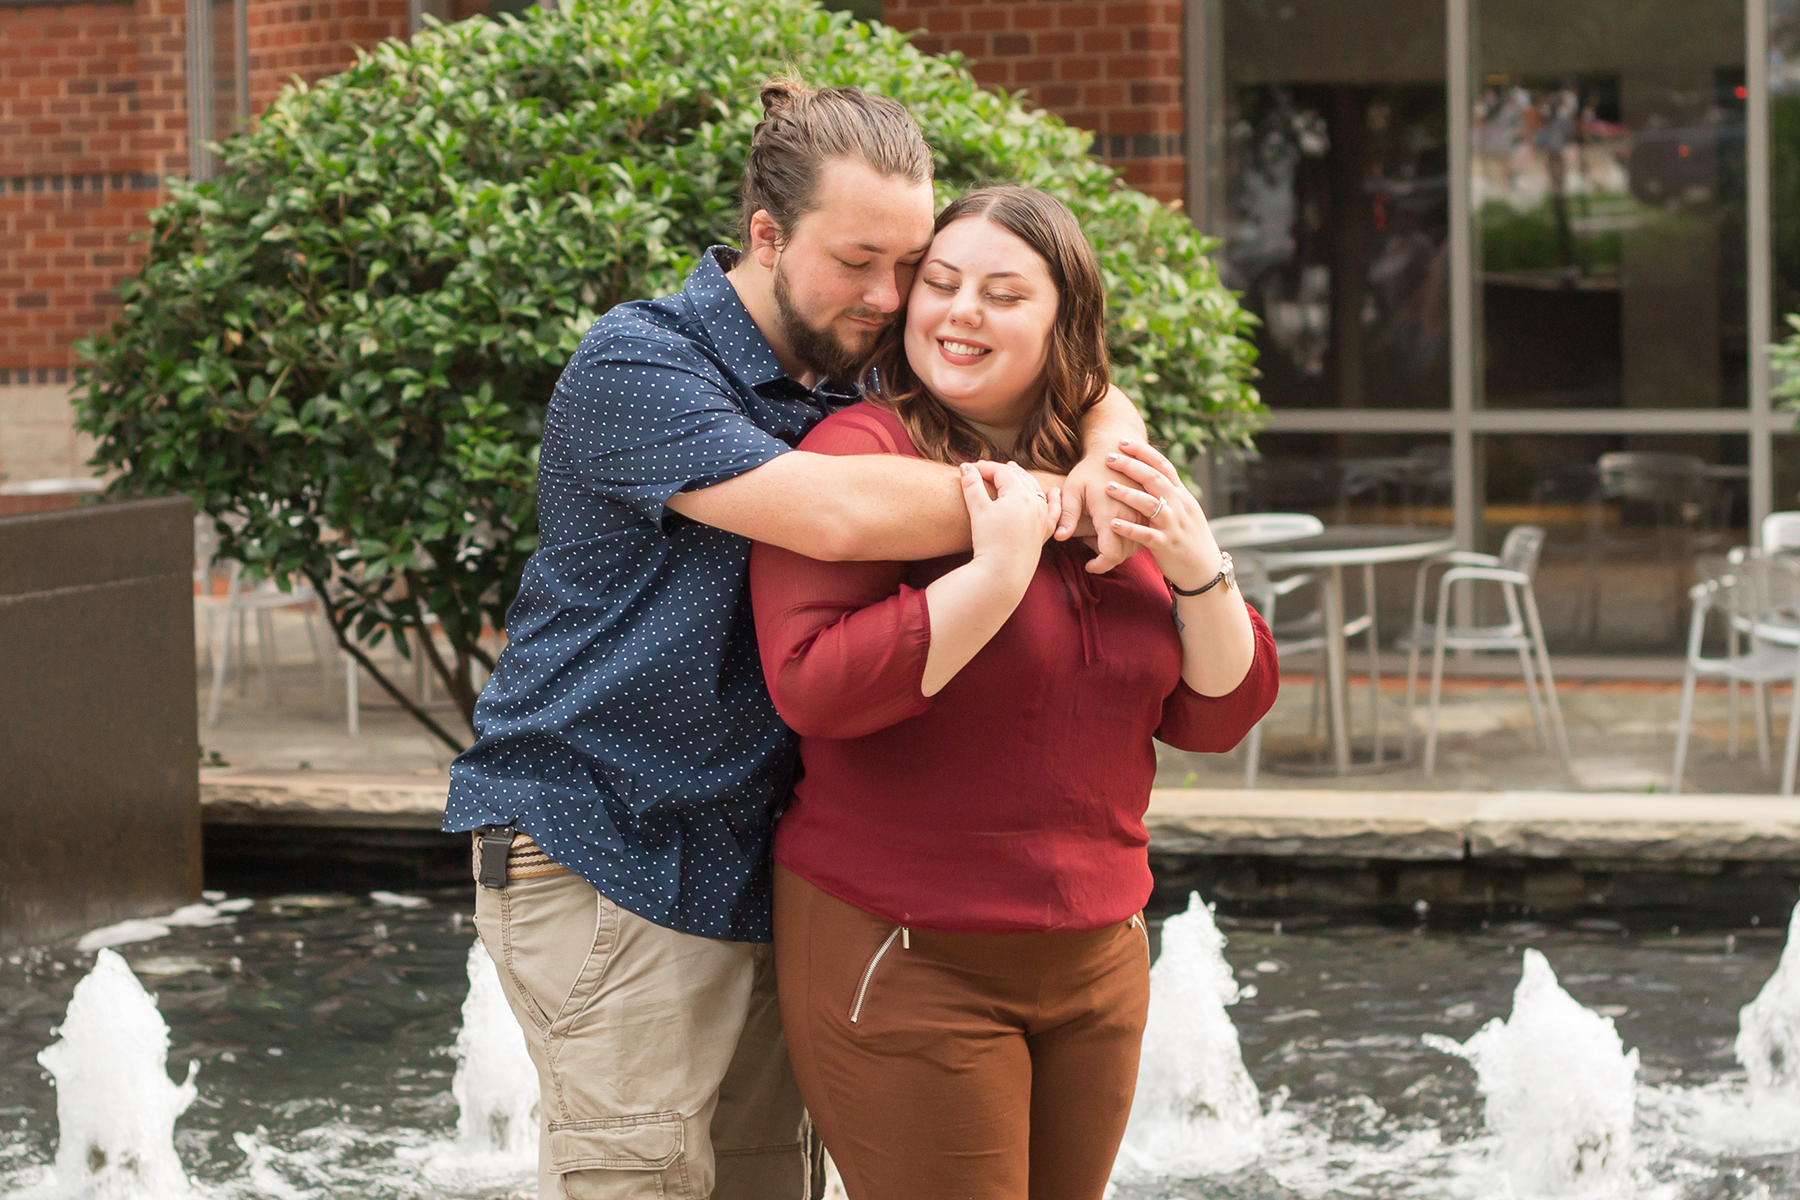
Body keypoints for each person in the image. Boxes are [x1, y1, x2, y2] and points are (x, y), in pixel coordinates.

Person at [441, 81, 1151, 1200]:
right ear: (766, 236)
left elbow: (1076, 372)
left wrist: (1113, 436)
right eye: (858, 260)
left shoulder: (861, 366)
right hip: (610, 840)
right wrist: (1061, 498)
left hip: (767, 864)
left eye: (909, 264)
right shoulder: (643, 365)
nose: (891, 295)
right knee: (643, 1182)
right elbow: (834, 514)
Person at [749, 186, 1278, 1200]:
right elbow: (813, 686)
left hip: (1098, 956)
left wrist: (1197, 561)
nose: (960, 314)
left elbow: (1217, 711)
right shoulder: (860, 456)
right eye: (940, 285)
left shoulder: (1108, 462)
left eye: (1002, 293)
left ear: (1064, 322)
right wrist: (993, 577)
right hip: (904, 949)